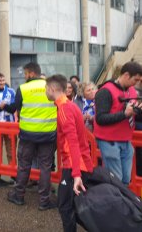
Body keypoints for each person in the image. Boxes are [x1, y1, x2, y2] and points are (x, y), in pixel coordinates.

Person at [45, 74, 93, 232]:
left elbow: (73, 142)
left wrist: (76, 173)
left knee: (65, 206)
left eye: (46, 89)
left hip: (74, 165)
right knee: (73, 206)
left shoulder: (65, 109)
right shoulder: (69, 105)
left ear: (52, 89)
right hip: (77, 163)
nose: (45, 92)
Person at [8, 62, 57, 211]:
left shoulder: (23, 88)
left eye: (25, 73)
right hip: (48, 134)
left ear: (30, 73)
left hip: (27, 135)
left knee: (24, 165)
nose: (24, 76)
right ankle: (44, 201)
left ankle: (19, 195)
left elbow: (17, 107)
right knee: (45, 167)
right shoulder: (51, 87)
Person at [94, 61, 142, 185]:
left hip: (126, 140)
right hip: (109, 141)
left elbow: (130, 113)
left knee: (125, 180)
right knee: (115, 181)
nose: (137, 83)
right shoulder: (105, 91)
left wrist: (138, 112)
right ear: (126, 75)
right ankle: (116, 203)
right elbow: (100, 119)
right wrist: (125, 114)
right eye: (135, 79)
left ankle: (121, 203)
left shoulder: (131, 90)